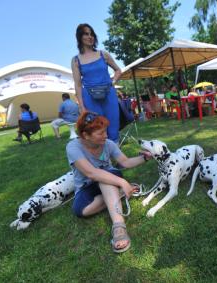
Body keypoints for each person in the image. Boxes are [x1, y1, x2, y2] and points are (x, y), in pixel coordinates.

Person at [66, 112, 152, 253]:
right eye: (100, 133)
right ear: (85, 135)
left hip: (109, 178)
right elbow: (91, 173)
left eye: (105, 131)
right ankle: (120, 193)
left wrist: (145, 158)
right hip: (86, 185)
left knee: (105, 179)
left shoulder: (109, 144)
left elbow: (125, 162)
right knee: (81, 211)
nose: (105, 136)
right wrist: (123, 183)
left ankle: (118, 226)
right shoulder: (73, 147)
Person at [71, 23, 122, 143]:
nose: (90, 37)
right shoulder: (75, 60)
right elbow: (78, 85)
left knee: (113, 126)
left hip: (109, 94)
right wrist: (82, 107)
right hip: (89, 98)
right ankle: (104, 160)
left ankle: (118, 158)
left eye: (91, 34)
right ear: (80, 37)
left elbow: (118, 70)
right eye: (86, 34)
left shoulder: (103, 54)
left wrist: (112, 82)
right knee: (97, 129)